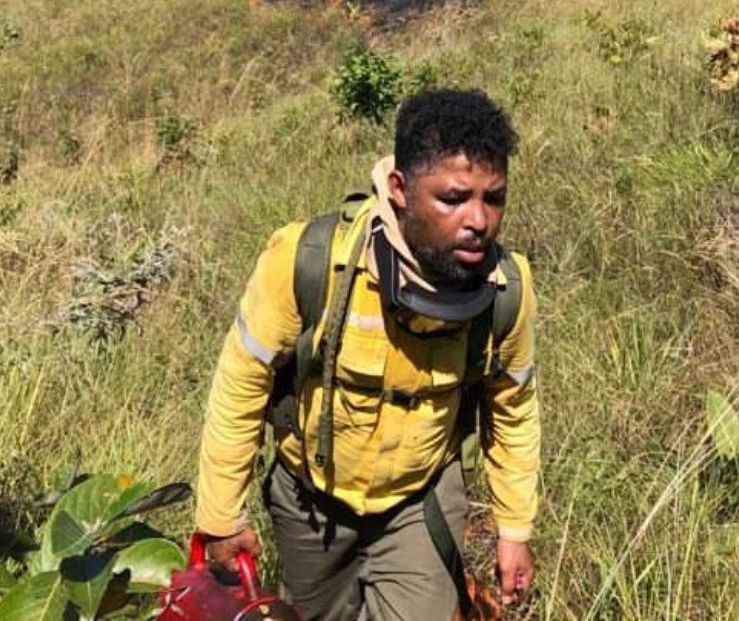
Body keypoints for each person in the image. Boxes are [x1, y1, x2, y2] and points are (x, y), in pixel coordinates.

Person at [193, 88, 540, 620]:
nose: (478, 220)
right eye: (453, 198)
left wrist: (514, 530)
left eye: (493, 198)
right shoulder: (307, 261)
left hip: (418, 504)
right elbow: (242, 382)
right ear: (400, 189)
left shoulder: (506, 290)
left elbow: (513, 410)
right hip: (310, 500)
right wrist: (219, 516)